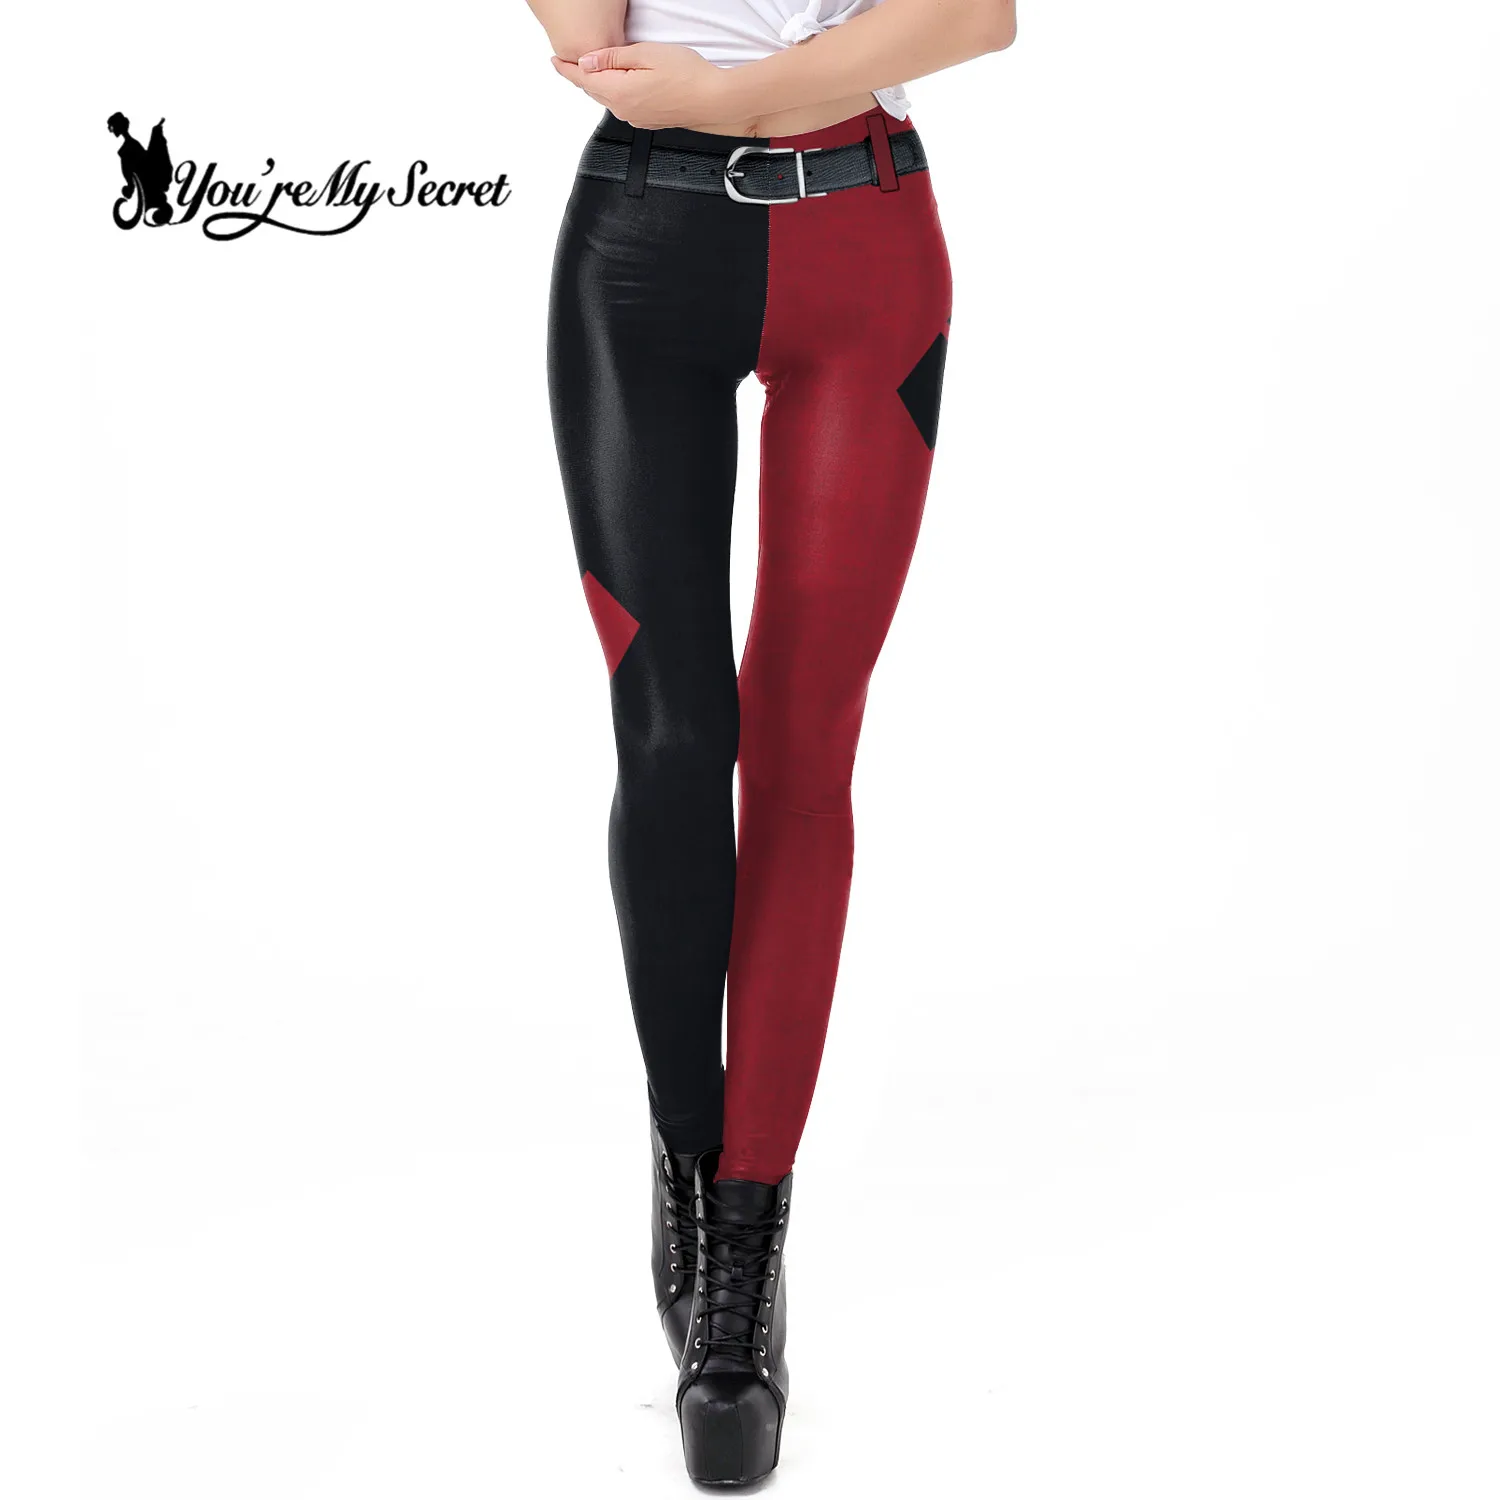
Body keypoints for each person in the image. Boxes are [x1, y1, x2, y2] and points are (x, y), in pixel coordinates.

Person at [527, 0, 1017, 1481]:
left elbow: (978, 17)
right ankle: (688, 1161)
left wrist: (738, 95)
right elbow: (588, 46)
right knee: (674, 737)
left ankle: (744, 1247)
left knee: (803, 749)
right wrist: (745, 93)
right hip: (640, 246)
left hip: (865, 243)